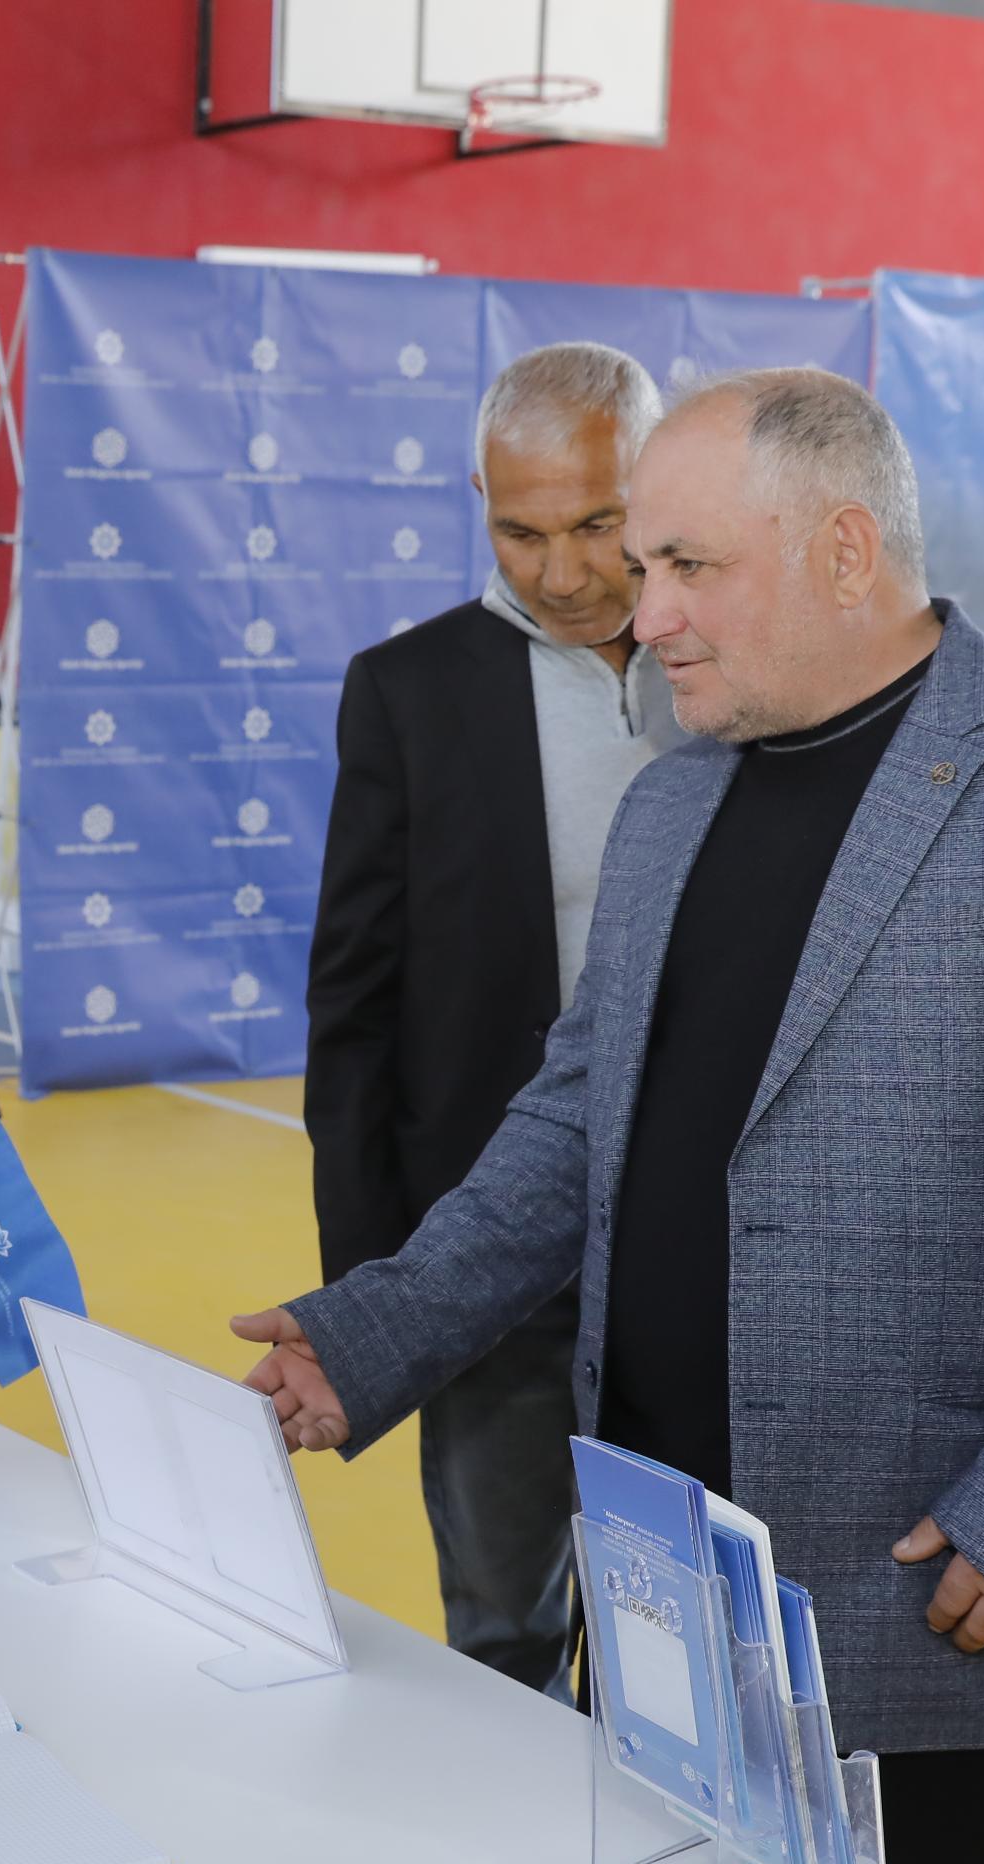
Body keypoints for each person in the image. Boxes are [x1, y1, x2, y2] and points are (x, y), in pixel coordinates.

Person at [235, 369, 984, 1864]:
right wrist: (377, 1330)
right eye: (641, 566)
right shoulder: (675, 805)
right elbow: (574, 1125)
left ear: (845, 551)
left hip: (913, 1575)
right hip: (659, 1553)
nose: (641, 614)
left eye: (684, 566)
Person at [307, 341, 679, 1705]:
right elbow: (353, 1006)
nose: (563, 572)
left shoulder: (740, 673)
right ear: (478, 499)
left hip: (698, 1245)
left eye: (598, 524)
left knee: (682, 1638)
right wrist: (375, 1298)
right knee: (501, 1633)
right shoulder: (408, 692)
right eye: (521, 532)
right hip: (485, 1243)